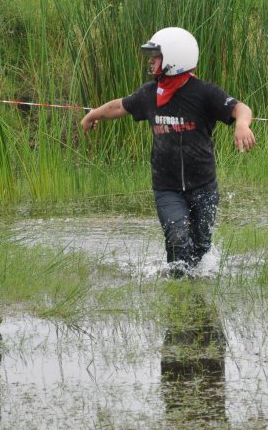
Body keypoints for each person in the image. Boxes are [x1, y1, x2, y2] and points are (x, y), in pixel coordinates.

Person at [81, 27, 256, 275]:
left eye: (156, 56)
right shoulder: (149, 94)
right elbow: (118, 107)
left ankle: (196, 291)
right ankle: (176, 290)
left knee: (201, 250)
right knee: (177, 238)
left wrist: (241, 125)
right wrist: (93, 115)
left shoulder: (205, 93)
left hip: (204, 186)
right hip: (167, 188)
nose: (151, 61)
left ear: (174, 58)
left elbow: (241, 108)